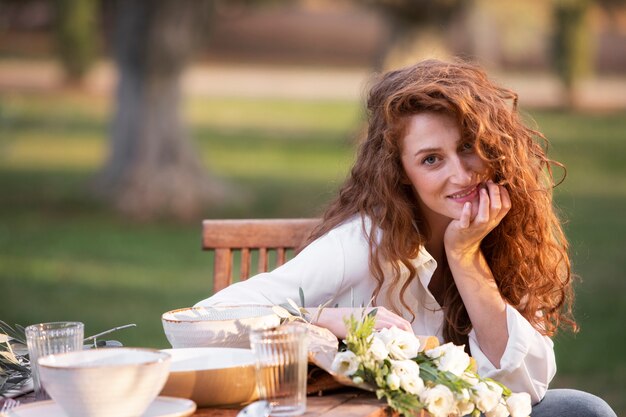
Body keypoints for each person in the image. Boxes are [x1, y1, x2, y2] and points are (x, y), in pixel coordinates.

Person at [196, 58, 616, 416]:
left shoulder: (512, 241)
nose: (461, 173)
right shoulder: (362, 243)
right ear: (401, 174)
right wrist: (332, 321)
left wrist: (466, 256)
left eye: (469, 146)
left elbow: (525, 386)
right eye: (431, 159)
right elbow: (203, 319)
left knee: (582, 410)